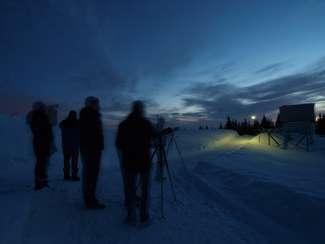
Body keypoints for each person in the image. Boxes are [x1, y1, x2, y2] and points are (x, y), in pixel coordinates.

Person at [116, 100, 155, 224]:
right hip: (144, 162)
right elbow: (154, 138)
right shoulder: (146, 123)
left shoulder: (123, 124)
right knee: (145, 191)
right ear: (142, 110)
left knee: (130, 189)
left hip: (129, 163)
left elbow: (119, 144)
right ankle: (144, 217)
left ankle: (131, 217)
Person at [79, 97, 105, 209]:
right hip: (91, 149)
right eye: (96, 103)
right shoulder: (90, 115)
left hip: (91, 148)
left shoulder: (89, 114)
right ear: (91, 104)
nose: (98, 105)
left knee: (90, 174)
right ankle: (90, 200)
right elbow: (91, 133)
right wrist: (96, 144)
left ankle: (90, 199)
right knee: (91, 174)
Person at [29, 102, 54, 190]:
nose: (44, 109)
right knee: (41, 163)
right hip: (41, 144)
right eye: (43, 107)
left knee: (42, 163)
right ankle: (40, 183)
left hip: (42, 143)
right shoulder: (39, 117)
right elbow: (43, 131)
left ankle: (42, 181)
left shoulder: (39, 117)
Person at [59, 110, 80, 181]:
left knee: (66, 161)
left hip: (66, 145)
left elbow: (60, 126)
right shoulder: (78, 123)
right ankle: (74, 175)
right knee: (74, 161)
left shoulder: (64, 122)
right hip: (75, 145)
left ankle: (66, 175)